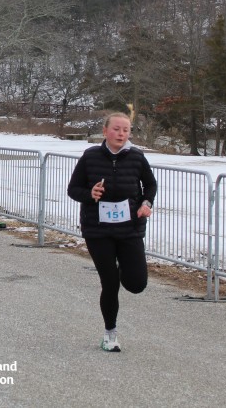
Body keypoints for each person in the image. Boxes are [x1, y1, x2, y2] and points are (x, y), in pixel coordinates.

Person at [67, 111, 156, 353]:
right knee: (110, 283)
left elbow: (150, 184)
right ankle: (110, 334)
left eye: (126, 130)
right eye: (116, 129)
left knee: (136, 284)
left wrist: (146, 203)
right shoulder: (90, 156)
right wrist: (90, 194)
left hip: (129, 229)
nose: (121, 134)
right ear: (105, 131)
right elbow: (73, 189)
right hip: (98, 230)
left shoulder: (137, 157)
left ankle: (123, 267)